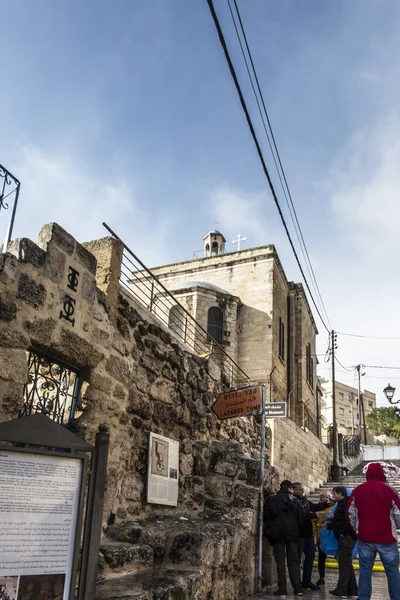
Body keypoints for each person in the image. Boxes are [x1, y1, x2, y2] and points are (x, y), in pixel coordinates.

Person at [347, 462, 400, 600]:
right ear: (381, 474)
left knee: (365, 571)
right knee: (392, 572)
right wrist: (396, 526)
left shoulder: (357, 491)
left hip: (365, 538)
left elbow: (350, 513)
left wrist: (357, 529)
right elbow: (398, 513)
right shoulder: (390, 491)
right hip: (387, 538)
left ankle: (363, 598)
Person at [264, 479, 305, 597]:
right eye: (292, 488)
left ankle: (282, 589)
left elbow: (266, 517)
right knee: (293, 562)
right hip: (292, 536)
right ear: (289, 488)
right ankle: (298, 588)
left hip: (277, 536)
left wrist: (269, 532)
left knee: (280, 563)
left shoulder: (271, 500)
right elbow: (301, 518)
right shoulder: (296, 502)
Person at [292, 482, 329, 591]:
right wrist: (314, 515)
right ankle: (297, 583)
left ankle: (306, 581)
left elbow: (314, 507)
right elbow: (300, 515)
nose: (302, 491)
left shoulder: (304, 500)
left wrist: (326, 504)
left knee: (310, 557)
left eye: (302, 489)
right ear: (293, 490)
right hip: (298, 535)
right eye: (299, 489)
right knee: (297, 559)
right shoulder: (293, 501)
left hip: (308, 535)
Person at [323, 486, 357, 598]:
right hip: (347, 536)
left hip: (346, 537)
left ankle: (342, 589)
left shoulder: (344, 504)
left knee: (344, 564)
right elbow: (339, 520)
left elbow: (345, 521)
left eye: (334, 494)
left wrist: (343, 532)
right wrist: (329, 526)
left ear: (340, 494)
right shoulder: (344, 503)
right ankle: (352, 589)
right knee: (346, 564)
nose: (333, 496)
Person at [313, 491, 334, 585]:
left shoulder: (333, 508)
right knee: (321, 558)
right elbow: (314, 522)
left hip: (331, 536)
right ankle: (321, 577)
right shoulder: (317, 508)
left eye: (327, 497)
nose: (325, 499)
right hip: (320, 536)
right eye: (323, 497)